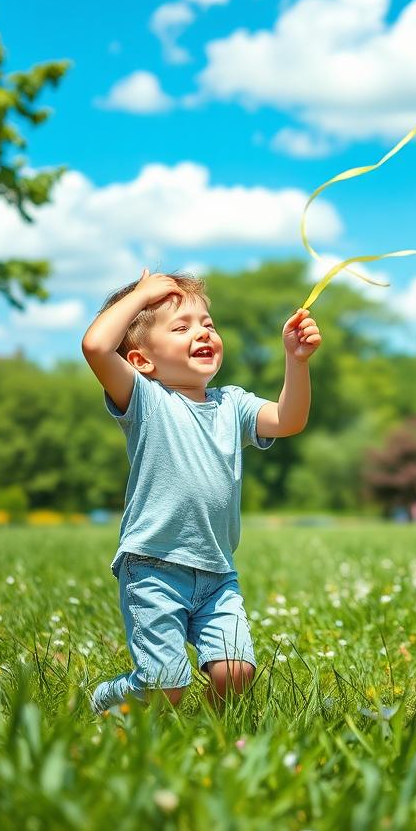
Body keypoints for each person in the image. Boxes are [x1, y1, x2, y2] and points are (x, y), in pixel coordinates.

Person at [82, 270, 321, 712]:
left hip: (217, 571)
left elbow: (290, 420)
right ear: (141, 361)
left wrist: (297, 362)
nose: (202, 332)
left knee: (236, 673)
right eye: (181, 327)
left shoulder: (233, 403)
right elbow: (96, 346)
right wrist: (141, 296)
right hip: (153, 567)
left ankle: (208, 737)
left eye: (207, 323)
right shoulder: (145, 399)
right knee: (162, 688)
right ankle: (105, 699)